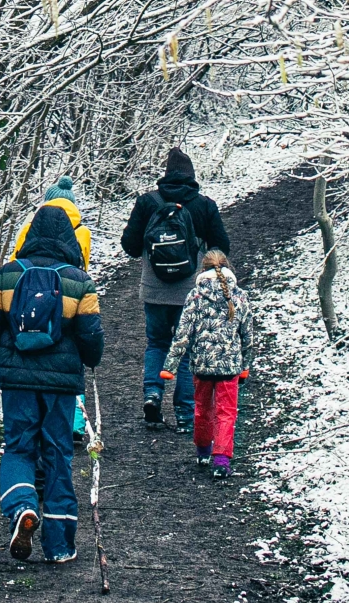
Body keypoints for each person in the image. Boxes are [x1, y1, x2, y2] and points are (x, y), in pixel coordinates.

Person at [0, 204, 104, 563]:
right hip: (60, 386)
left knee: (19, 448)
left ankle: (23, 507)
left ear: (29, 236)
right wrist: (87, 358)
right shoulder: (79, 281)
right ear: (69, 240)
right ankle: (59, 545)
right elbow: (92, 342)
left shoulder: (8, 276)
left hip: (17, 382)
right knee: (57, 453)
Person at [122, 147, 230, 433]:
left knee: (156, 343)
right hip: (190, 293)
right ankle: (184, 414)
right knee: (187, 349)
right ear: (192, 176)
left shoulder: (148, 203)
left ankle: (152, 396)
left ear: (166, 174)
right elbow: (222, 247)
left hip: (154, 290)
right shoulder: (203, 205)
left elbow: (129, 246)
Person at [9, 176, 92, 440]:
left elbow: (15, 262)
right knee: (70, 360)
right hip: (69, 299)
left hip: (29, 301)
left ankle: (32, 423)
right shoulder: (82, 232)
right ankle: (75, 423)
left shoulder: (29, 227)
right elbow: (83, 267)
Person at [159, 251, 253, 478]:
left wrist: (170, 366)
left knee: (202, 409)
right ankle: (221, 460)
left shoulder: (195, 296)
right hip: (229, 367)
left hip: (201, 365)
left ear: (203, 270)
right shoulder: (239, 296)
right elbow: (247, 335)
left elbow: (182, 333)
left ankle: (203, 451)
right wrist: (245, 365)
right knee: (226, 412)